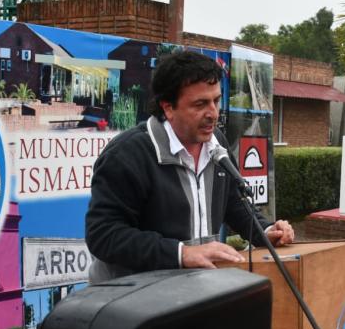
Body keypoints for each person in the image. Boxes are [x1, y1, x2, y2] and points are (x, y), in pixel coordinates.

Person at [85, 50, 294, 283]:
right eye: (200, 104)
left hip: (193, 296)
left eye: (216, 100)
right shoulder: (127, 154)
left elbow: (234, 205)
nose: (213, 114)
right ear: (168, 107)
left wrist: (266, 232)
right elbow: (103, 235)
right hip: (132, 304)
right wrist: (182, 254)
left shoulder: (217, 143)